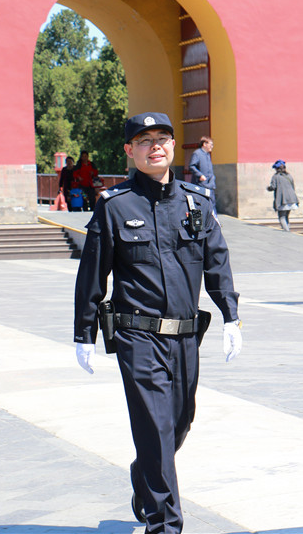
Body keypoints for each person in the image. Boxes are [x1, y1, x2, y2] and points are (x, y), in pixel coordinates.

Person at [73, 112, 243, 534]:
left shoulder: (195, 203)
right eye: (144, 140)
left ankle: (145, 478)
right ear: (129, 151)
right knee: (155, 425)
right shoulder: (114, 206)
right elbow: (93, 273)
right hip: (138, 336)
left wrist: (231, 315)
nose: (155, 146)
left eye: (162, 138)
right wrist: (84, 332)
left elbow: (216, 261)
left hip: (185, 337)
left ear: (172, 146)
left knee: (179, 422)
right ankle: (165, 524)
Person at [267, 159, 299, 232]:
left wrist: (268, 188)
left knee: (281, 217)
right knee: (286, 216)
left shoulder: (275, 176)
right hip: (292, 199)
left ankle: (287, 232)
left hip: (283, 200)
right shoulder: (289, 175)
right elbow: (293, 186)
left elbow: (273, 187)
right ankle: (287, 229)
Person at [188, 136, 216, 209]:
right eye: (211, 144)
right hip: (201, 184)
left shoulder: (207, 154)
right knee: (202, 204)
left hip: (210, 184)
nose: (212, 147)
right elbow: (191, 166)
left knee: (212, 204)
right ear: (204, 144)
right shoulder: (197, 153)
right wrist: (200, 175)